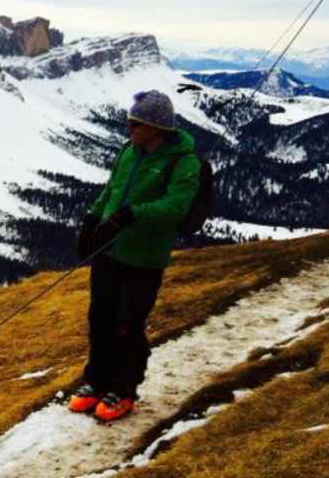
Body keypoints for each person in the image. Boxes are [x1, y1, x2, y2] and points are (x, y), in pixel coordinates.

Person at [68, 90, 201, 422]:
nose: (128, 128)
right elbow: (110, 189)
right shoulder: (129, 151)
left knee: (127, 325)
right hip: (110, 251)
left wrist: (132, 215)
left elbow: (177, 206)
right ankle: (96, 381)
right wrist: (91, 220)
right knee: (99, 319)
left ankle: (124, 390)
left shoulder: (183, 161)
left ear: (155, 128)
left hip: (144, 258)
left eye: (135, 124)